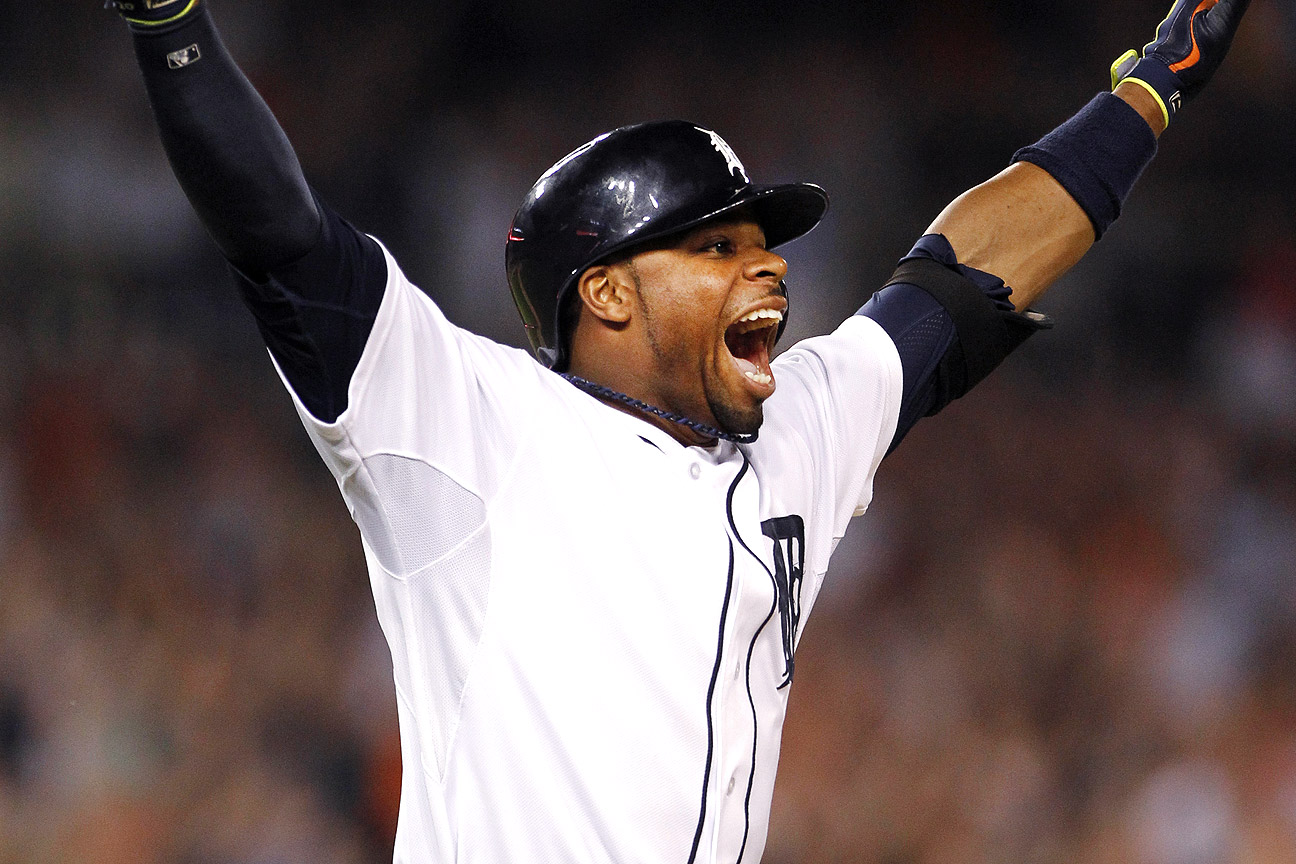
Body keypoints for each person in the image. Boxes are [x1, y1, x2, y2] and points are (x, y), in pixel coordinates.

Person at [110, 0, 1249, 860]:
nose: (767, 266)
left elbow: (962, 280)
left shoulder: (801, 427)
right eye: (714, 248)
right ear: (605, 294)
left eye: (764, 242)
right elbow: (280, 231)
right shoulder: (469, 419)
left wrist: (1153, 90)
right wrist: (172, 26)